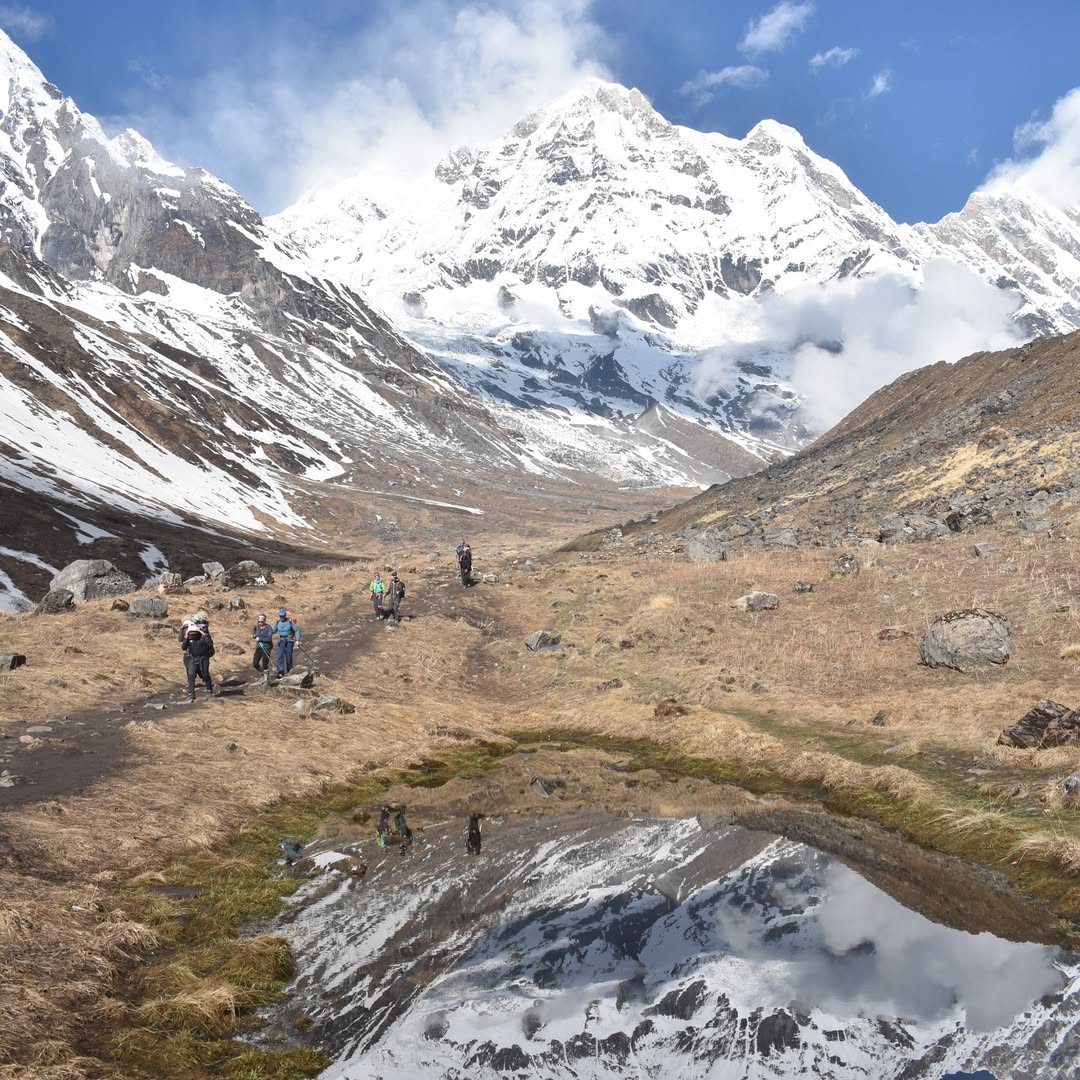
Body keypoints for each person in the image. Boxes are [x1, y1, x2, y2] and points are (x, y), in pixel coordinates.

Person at [181, 624, 215, 702]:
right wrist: (186, 638)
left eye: (194, 633)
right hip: (193, 659)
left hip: (203, 659)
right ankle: (191, 694)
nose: (193, 635)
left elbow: (210, 645)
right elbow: (183, 647)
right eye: (191, 633)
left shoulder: (203, 638)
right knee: (191, 676)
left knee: (205, 675)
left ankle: (209, 690)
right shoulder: (189, 639)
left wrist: (204, 635)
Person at [273, 608, 301, 675]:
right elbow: (273, 631)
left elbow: (297, 630)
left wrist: (297, 640)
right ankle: (280, 672)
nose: (281, 617)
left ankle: (289, 672)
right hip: (281, 641)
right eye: (280, 616)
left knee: (288, 657)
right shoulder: (278, 622)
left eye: (282, 616)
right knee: (280, 657)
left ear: (285, 615)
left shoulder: (290, 622)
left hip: (289, 641)